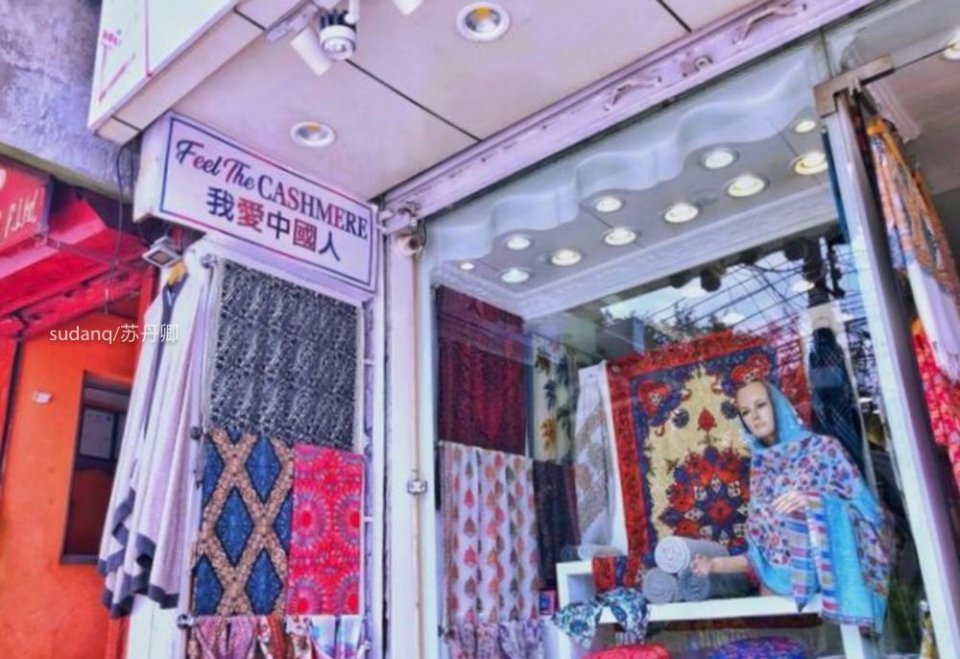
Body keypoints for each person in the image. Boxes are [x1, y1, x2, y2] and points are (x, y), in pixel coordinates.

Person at [689, 379, 890, 632]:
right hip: (781, 602)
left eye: (761, 405)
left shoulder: (824, 450)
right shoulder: (761, 469)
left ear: (778, 406)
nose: (755, 417)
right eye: (745, 412)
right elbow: (762, 555)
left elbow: (869, 516)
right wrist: (714, 565)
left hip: (834, 598)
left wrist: (815, 503)